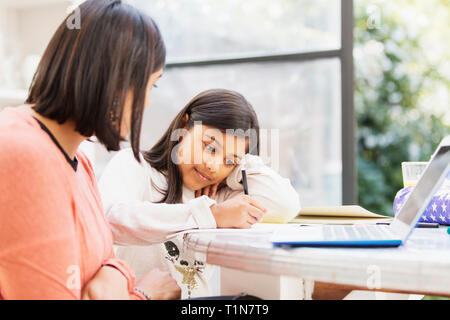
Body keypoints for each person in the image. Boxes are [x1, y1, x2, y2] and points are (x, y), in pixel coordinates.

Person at [0, 0, 180, 300]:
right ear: (113, 78)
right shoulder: (23, 154)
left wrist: (115, 273)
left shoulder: (78, 156)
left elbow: (107, 261)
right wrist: (145, 294)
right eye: (150, 85)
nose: (147, 102)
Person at [98, 88, 302, 298]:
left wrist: (242, 165)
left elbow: (285, 205)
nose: (214, 166)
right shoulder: (136, 166)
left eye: (229, 161)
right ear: (184, 126)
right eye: (210, 147)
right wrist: (211, 215)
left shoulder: (218, 196)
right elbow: (110, 219)